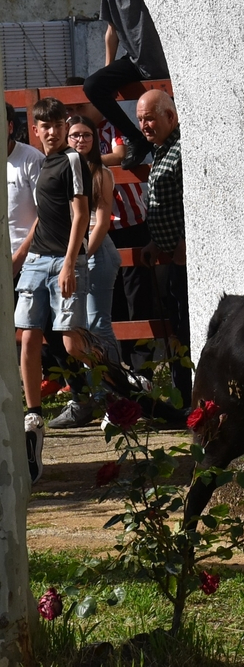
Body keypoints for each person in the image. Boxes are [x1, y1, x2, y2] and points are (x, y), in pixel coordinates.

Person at [15, 98, 94, 484]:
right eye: (44, 126)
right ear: (35, 129)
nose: (51, 131)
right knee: (28, 337)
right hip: (35, 259)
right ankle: (33, 415)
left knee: (71, 345)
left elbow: (81, 213)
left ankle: (119, 378)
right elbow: (43, 215)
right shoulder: (40, 163)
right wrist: (22, 256)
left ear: (65, 126)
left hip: (64, 261)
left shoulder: (72, 161)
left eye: (57, 124)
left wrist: (69, 262)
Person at [64, 78, 156, 375]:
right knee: (109, 304)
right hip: (96, 231)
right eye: (70, 108)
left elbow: (120, 154)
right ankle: (116, 369)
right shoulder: (74, 134)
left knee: (138, 298)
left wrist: (84, 160)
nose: (74, 112)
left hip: (130, 222)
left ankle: (143, 371)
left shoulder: (111, 124)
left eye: (79, 105)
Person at [45, 116, 121, 429]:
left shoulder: (100, 173)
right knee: (76, 329)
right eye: (75, 134)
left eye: (87, 135)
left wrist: (83, 256)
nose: (81, 140)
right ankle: (90, 398)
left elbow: (101, 218)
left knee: (99, 323)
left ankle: (116, 399)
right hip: (69, 256)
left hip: (96, 253)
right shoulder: (60, 170)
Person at [85, 0, 170, 170]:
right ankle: (135, 138)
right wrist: (108, 70)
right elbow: (111, 32)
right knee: (93, 85)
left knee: (166, 129)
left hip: (163, 66)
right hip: (135, 62)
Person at [137, 89, 190, 403]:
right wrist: (156, 242)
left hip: (184, 259)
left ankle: (188, 394)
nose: (144, 125)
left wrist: (183, 245)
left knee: (185, 327)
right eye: (141, 119)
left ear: (170, 117)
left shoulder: (181, 149)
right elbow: (164, 203)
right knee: (176, 326)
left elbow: (188, 202)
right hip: (169, 254)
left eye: (150, 118)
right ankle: (180, 393)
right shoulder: (161, 149)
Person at [7, 103, 43, 277]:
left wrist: (20, 257)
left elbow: (46, 213)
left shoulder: (32, 159)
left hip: (28, 262)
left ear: (10, 126)